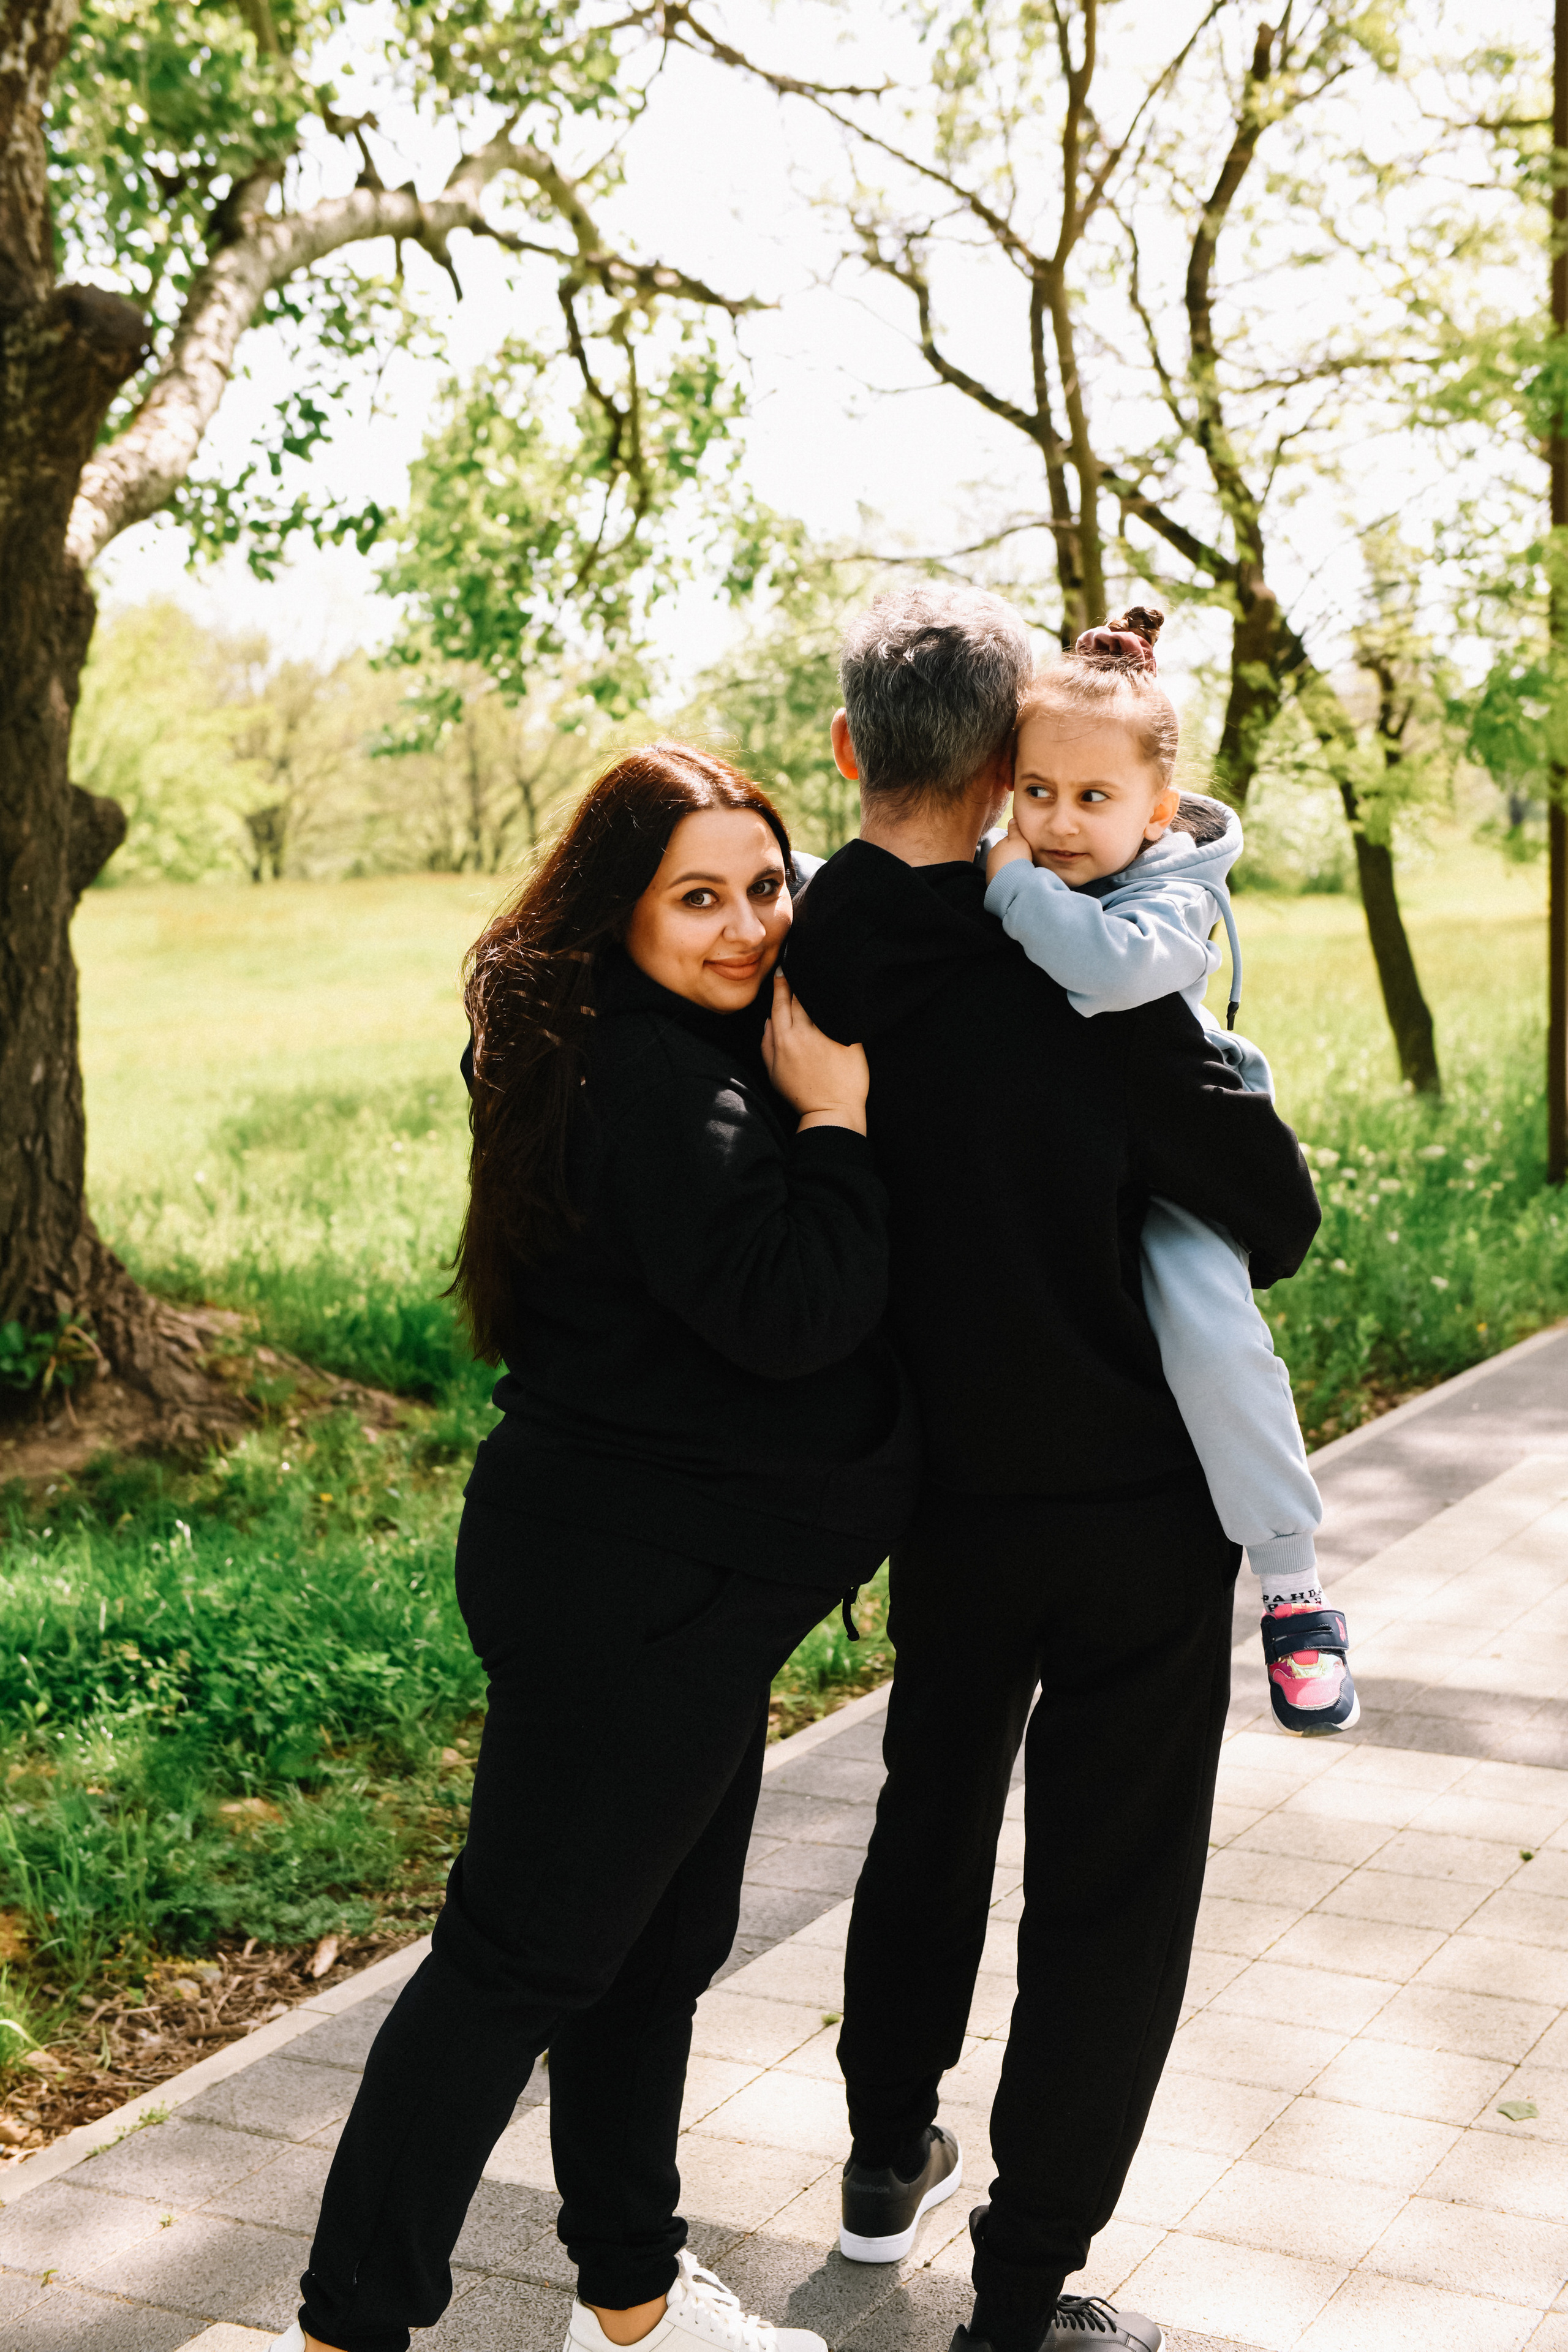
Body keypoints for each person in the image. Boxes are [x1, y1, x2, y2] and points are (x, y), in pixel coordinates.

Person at [270, 745, 918, 2352]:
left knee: (648, 1954)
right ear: (615, 913)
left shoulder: (631, 1046)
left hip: (665, 1590)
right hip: (629, 1595)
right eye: (696, 897)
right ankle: (348, 2327)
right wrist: (839, 1130)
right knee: (519, 1965)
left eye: (766, 886)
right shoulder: (664, 1081)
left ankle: (632, 2302)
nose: (746, 925)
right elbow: (789, 1311)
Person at [785, 587, 1322, 2352]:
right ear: (1021, 767)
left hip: (935, 1503)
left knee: (925, 1818)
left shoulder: (805, 966)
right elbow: (1278, 1216)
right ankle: (1020, 2299)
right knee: (1109, 1886)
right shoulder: (1089, 979)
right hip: (1131, 1521)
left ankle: (881, 2160)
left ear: (855, 752)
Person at [984, 605, 1356, 1736]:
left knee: (1209, 1324)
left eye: (1093, 800)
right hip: (1067, 1173)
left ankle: (1292, 1589)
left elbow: (1106, 974)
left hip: (1181, 1167)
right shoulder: (1018, 856)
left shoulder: (1174, 889)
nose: (1055, 824)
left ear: (1155, 811)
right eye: (1035, 793)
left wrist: (1005, 884)